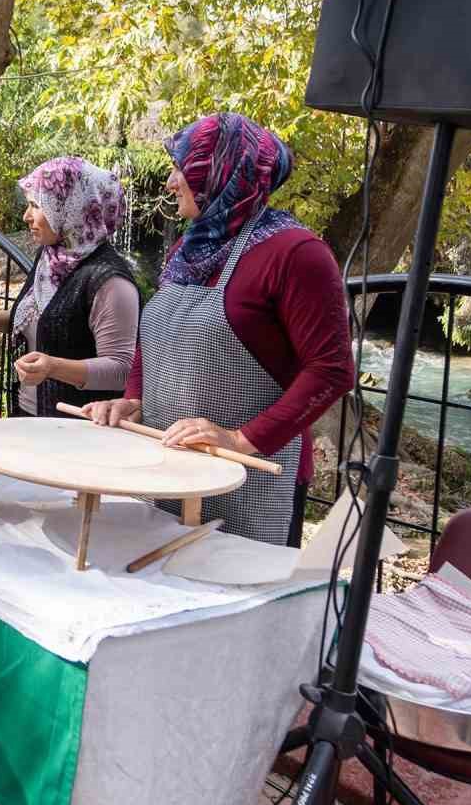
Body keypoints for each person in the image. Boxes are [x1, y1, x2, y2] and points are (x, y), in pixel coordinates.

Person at [84, 113, 354, 546]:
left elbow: (332, 370)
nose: (171, 182)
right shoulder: (189, 248)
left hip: (247, 481)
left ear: (223, 174)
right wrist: (134, 399)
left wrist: (240, 439)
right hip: (166, 465)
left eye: (182, 170)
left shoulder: (298, 254)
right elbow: (154, 337)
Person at [0, 157, 139, 416]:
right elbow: (53, 322)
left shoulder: (110, 282)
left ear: (70, 208)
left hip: (76, 432)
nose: (26, 216)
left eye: (36, 205)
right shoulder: (51, 259)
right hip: (29, 417)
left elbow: (122, 370)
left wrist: (54, 367)